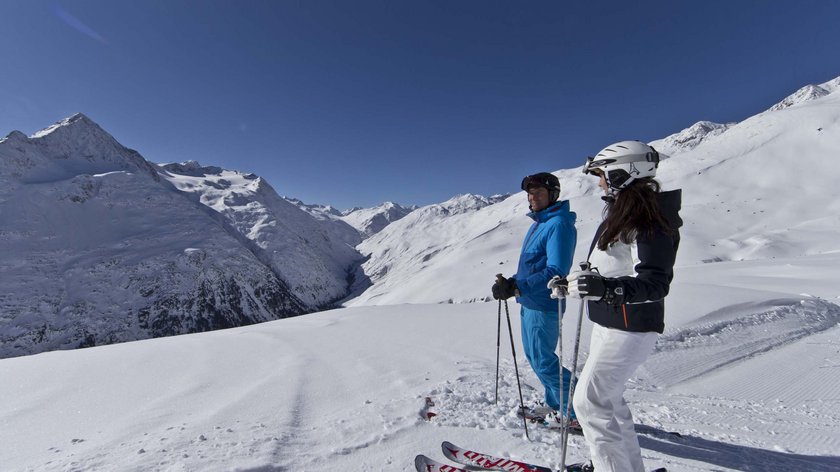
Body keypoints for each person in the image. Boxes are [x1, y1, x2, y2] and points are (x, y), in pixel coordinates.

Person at [563, 141, 682, 472]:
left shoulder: (652, 220)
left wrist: (608, 288)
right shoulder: (621, 214)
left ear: (622, 173)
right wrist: (573, 283)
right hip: (609, 322)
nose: (599, 183)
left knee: (589, 403)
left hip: (631, 327)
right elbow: (607, 268)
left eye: (602, 175)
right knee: (609, 404)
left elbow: (656, 283)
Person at [492, 172, 577, 426]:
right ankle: (555, 405)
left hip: (543, 304)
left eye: (538, 192)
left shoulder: (558, 225)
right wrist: (512, 283)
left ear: (553, 195)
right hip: (530, 302)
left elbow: (556, 270)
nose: (532, 198)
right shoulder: (540, 223)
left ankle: (575, 414)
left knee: (544, 362)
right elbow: (533, 266)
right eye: (530, 193)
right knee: (537, 359)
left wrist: (518, 286)